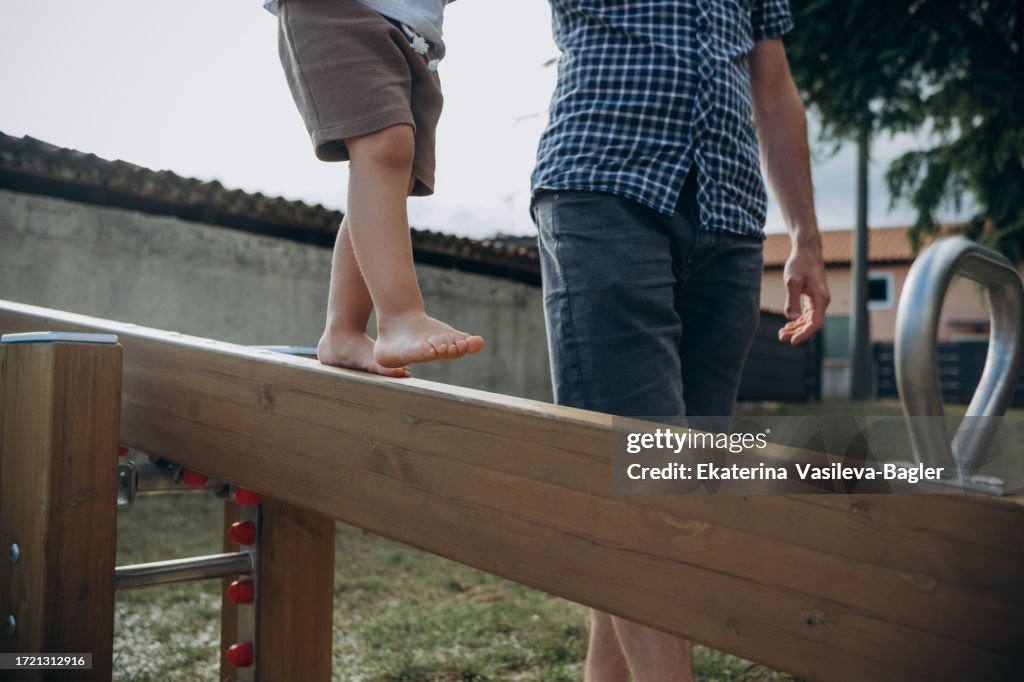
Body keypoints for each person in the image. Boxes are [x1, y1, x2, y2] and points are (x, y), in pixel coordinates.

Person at [530, 1, 830, 680]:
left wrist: (806, 239)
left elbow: (774, 88)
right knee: (648, 488)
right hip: (604, 189)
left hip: (729, 216)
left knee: (682, 490)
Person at [269, 0, 483, 377]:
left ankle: (343, 332)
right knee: (385, 144)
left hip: (418, 33)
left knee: (397, 177)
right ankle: (400, 315)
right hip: (343, 8)